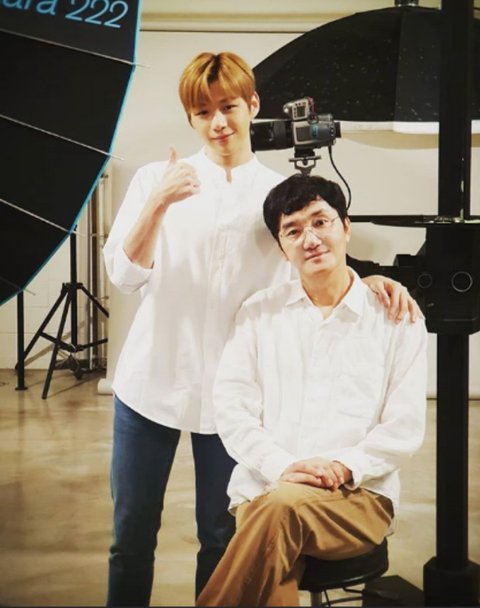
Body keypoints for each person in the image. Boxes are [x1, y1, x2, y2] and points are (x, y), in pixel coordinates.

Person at [103, 51, 421, 606]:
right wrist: (157, 204)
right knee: (131, 534)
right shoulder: (158, 180)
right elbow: (124, 276)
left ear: (253, 104)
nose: (218, 123)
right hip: (151, 381)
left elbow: (312, 258)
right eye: (203, 113)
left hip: (233, 395)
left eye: (228, 107)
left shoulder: (273, 194)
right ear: (190, 119)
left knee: (221, 534)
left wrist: (368, 281)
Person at [196, 173, 428, 607]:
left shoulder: (395, 317)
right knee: (276, 540)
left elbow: (404, 427)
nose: (311, 239)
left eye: (321, 222)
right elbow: (232, 410)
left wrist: (343, 466)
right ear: (282, 248)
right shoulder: (258, 314)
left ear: (346, 227)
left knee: (279, 512)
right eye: (293, 231)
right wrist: (284, 466)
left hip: (358, 497)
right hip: (267, 487)